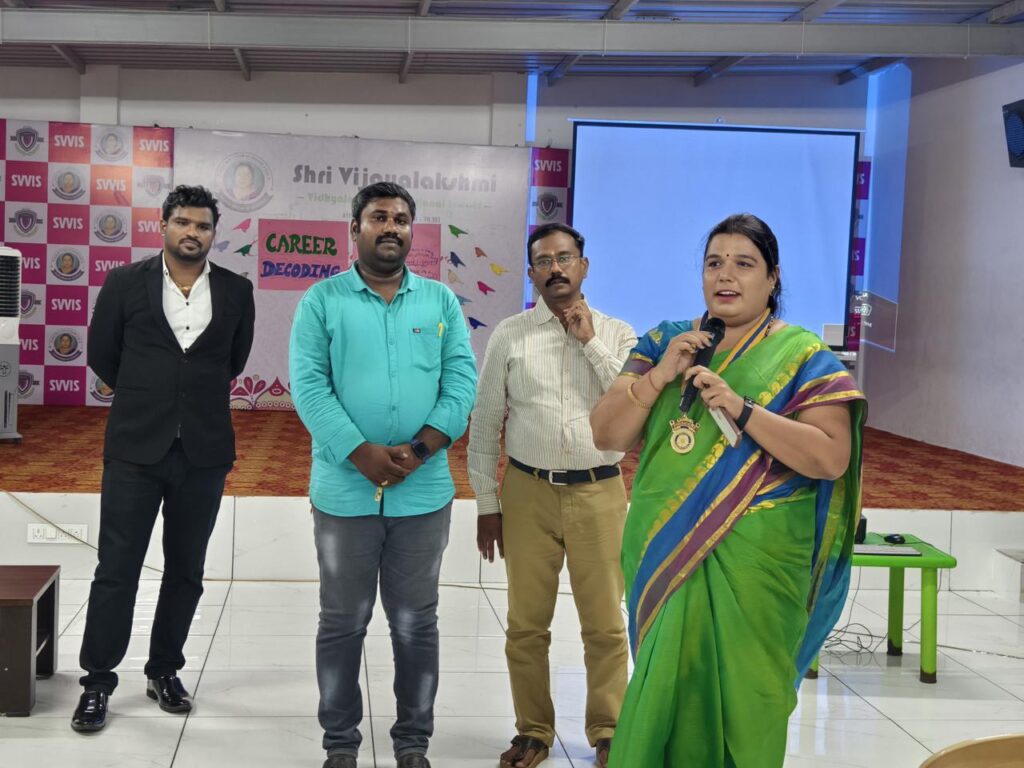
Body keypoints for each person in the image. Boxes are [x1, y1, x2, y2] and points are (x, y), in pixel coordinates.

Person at [590, 213, 866, 768]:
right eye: (714, 262)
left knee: (748, 702)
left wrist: (742, 409)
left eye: (744, 263)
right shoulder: (665, 341)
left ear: (772, 277)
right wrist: (660, 375)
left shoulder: (804, 356)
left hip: (760, 560)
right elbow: (606, 435)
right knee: (666, 691)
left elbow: (830, 457)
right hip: (666, 544)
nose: (725, 275)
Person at [289, 182, 477, 768]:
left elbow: (461, 383)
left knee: (416, 623)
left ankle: (413, 743)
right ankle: (340, 744)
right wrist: (358, 452)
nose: (391, 226)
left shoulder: (440, 302)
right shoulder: (322, 301)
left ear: (411, 231)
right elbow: (309, 387)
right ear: (356, 229)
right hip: (344, 493)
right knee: (342, 622)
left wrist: (419, 450)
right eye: (378, 217)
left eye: (400, 218)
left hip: (423, 494)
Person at [72, 185, 255, 733]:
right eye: (183, 223)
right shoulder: (125, 282)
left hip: (204, 451)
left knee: (186, 570)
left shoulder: (237, 290)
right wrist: (151, 395)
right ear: (164, 225)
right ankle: (98, 681)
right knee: (117, 568)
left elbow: (233, 360)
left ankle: (164, 670)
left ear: (214, 233)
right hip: (135, 447)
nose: (192, 233)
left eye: (202, 225)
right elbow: (103, 355)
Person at [468, 222, 635, 768]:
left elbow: (633, 404)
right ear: (532, 272)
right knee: (525, 625)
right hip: (527, 493)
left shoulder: (618, 334)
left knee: (605, 625)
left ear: (584, 266)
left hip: (598, 492)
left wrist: (589, 342)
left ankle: (610, 732)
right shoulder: (510, 334)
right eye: (544, 261)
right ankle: (533, 732)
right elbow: (486, 421)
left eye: (565, 258)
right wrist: (487, 504)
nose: (555, 268)